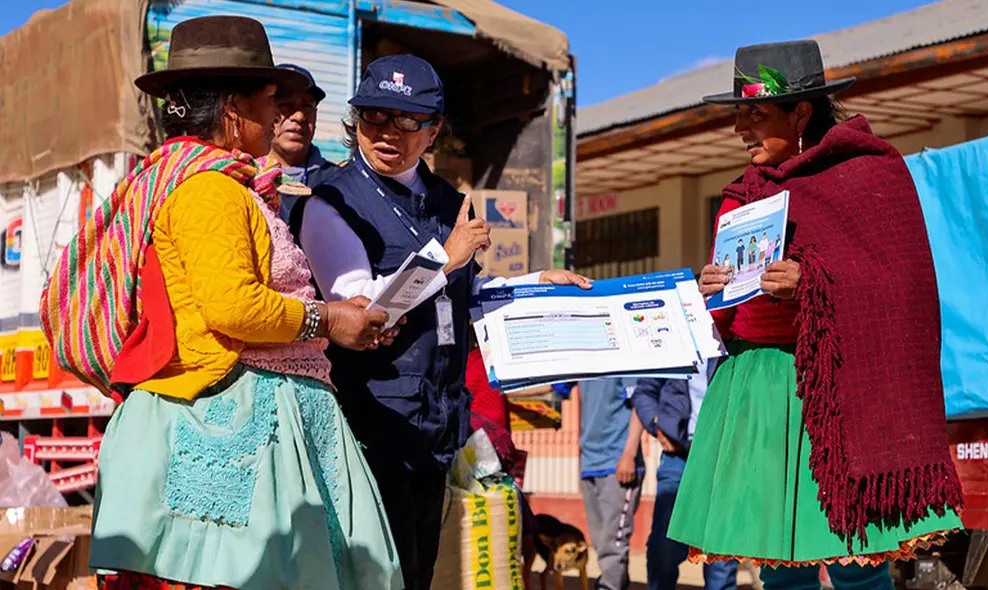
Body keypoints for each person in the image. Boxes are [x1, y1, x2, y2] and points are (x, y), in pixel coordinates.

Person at [40, 17, 402, 590]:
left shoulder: (224, 185)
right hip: (225, 420)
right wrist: (328, 319)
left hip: (248, 414)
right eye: (269, 100)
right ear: (234, 109)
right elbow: (232, 307)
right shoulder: (208, 191)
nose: (279, 114)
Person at [287, 54, 591, 590]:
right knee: (376, 574)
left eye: (407, 121)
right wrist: (445, 259)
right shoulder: (330, 203)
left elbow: (466, 296)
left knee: (419, 570)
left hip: (438, 423)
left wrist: (534, 284)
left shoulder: (451, 201)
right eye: (374, 116)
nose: (388, 133)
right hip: (370, 424)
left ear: (434, 130)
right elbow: (363, 313)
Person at [667, 40, 963, 589]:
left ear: (801, 111)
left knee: (857, 561)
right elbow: (732, 316)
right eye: (738, 113)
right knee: (781, 572)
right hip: (759, 392)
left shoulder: (867, 177)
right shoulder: (742, 197)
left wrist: (814, 285)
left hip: (838, 391)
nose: (740, 128)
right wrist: (709, 292)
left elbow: (903, 285)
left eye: (755, 113)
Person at [632, 365, 737, 590]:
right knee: (663, 546)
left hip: (724, 456)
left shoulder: (731, 339)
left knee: (720, 550)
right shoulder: (673, 341)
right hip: (678, 456)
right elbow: (643, 392)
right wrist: (657, 424)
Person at [556, 379, 644, 590]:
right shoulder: (583, 360)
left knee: (612, 541)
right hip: (590, 464)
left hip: (618, 464)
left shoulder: (623, 359)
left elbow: (640, 405)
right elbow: (552, 385)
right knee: (600, 540)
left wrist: (629, 454)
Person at [270, 63, 340, 220]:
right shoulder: (246, 175)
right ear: (266, 110)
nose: (299, 116)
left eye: (307, 106)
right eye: (286, 106)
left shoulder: (338, 182)